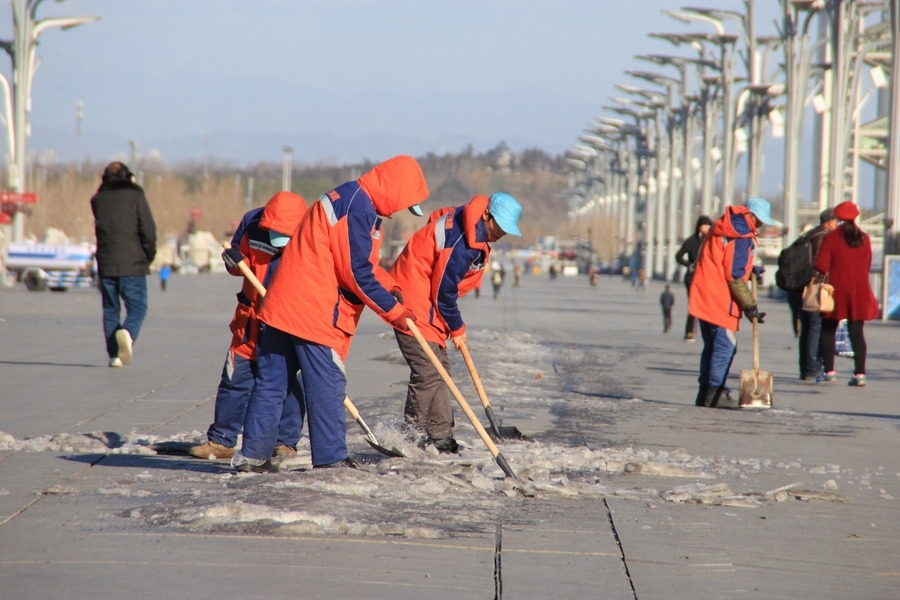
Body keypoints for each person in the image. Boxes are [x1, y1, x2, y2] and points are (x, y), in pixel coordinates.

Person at [234, 155, 427, 472]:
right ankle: (331, 459)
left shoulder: (350, 197)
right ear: (395, 190)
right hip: (314, 311)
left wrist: (390, 286)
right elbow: (356, 273)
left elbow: (358, 264)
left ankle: (252, 458)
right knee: (326, 385)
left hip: (286, 304)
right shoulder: (358, 208)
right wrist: (396, 312)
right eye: (403, 204)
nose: (397, 212)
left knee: (272, 384)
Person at [390, 193, 522, 452]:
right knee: (428, 371)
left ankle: (440, 435)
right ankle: (409, 437)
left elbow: (436, 217)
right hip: (413, 296)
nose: (503, 233)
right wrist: (457, 328)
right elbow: (443, 293)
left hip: (423, 293)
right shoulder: (463, 243)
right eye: (501, 226)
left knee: (441, 370)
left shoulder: (469, 221)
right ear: (487, 215)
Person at [189, 192, 307, 460]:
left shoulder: (309, 233)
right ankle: (221, 441)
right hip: (250, 318)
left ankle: (285, 442)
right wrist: (233, 262)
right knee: (234, 379)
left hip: (286, 318)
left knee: (286, 382)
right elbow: (240, 263)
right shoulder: (252, 222)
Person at [688, 197, 772, 408]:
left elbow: (726, 259)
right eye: (760, 220)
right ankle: (715, 395)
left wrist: (750, 269)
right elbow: (734, 274)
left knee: (713, 345)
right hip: (719, 295)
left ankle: (705, 395)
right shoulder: (741, 234)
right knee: (726, 345)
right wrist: (750, 306)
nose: (760, 225)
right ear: (751, 215)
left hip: (706, 290)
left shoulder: (728, 225)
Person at [90, 162, 157, 367]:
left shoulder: (98, 200)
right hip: (133, 264)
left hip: (106, 263)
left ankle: (114, 355)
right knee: (138, 307)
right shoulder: (136, 196)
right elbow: (149, 230)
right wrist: (149, 255)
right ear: (128, 177)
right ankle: (127, 334)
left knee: (110, 309)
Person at [813, 201, 879, 387]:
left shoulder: (831, 238)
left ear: (838, 217)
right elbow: (866, 265)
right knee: (857, 332)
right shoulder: (864, 238)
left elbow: (821, 265)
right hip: (859, 290)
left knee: (828, 329)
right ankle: (859, 374)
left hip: (836, 290)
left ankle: (829, 371)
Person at [787, 208, 838, 380]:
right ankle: (812, 367)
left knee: (807, 327)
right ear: (830, 222)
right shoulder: (824, 237)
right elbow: (822, 265)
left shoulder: (808, 235)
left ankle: (805, 366)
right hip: (815, 287)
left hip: (800, 287)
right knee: (815, 327)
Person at [675, 215, 714, 342]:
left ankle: (706, 329)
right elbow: (678, 256)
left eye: (709, 226)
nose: (707, 228)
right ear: (699, 227)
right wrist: (689, 265)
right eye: (704, 226)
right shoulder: (691, 241)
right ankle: (689, 331)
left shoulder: (713, 240)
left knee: (707, 303)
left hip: (707, 277)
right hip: (692, 278)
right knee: (693, 304)